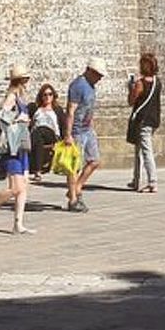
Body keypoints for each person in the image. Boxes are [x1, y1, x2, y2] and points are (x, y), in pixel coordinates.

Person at [0, 64, 35, 234]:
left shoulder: (20, 96)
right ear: (21, 80)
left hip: (20, 144)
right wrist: (19, 119)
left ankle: (18, 223)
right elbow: (1, 117)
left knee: (23, 186)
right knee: (16, 188)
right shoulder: (12, 96)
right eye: (25, 78)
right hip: (12, 147)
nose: (27, 80)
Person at [64, 56, 104, 213]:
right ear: (89, 71)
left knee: (94, 161)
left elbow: (89, 108)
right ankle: (73, 199)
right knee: (74, 167)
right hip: (77, 131)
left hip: (88, 129)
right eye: (97, 74)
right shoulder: (78, 85)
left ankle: (77, 187)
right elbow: (70, 111)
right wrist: (68, 134)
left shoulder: (91, 86)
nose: (100, 78)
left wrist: (92, 125)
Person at [126, 51, 162, 194]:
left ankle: (152, 182)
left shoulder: (140, 84)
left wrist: (131, 88)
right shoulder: (157, 82)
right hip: (153, 120)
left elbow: (131, 101)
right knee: (139, 151)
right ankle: (136, 180)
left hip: (142, 121)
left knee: (146, 152)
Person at [29, 83, 65, 176]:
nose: (47, 97)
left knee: (40, 130)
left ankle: (35, 167)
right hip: (36, 135)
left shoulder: (57, 109)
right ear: (41, 96)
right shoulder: (35, 109)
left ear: (53, 96)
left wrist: (64, 140)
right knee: (38, 138)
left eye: (50, 94)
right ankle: (38, 170)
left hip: (51, 135)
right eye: (45, 94)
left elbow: (63, 125)